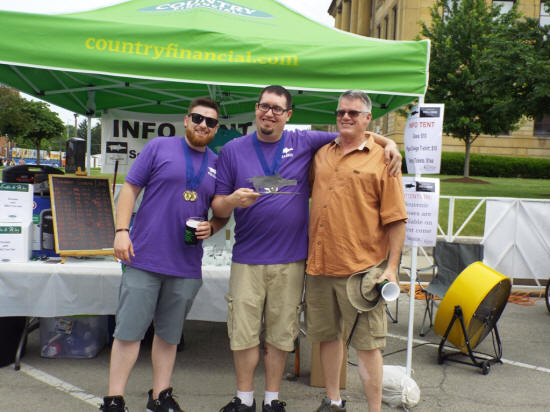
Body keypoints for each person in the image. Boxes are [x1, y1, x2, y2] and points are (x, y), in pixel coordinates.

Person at [211, 85, 402, 412]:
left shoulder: (309, 143)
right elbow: (222, 204)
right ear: (256, 108)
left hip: (328, 263)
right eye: (264, 106)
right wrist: (231, 201)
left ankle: (276, 400)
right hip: (284, 261)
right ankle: (257, 399)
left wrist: (390, 143)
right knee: (256, 334)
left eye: (277, 108)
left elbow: (355, 138)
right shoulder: (241, 150)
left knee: (298, 337)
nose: (269, 113)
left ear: (288, 115)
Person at [100, 97, 228, 412]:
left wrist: (212, 226)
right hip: (144, 257)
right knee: (129, 332)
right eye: (198, 118)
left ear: (216, 129)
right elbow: (130, 188)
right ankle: (114, 399)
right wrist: (121, 230)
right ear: (186, 120)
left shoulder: (217, 164)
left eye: (211, 122)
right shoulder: (159, 147)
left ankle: (160, 396)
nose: (203, 125)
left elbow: (221, 212)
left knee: (169, 336)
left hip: (185, 264)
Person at [305, 90, 407, 412]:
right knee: (327, 337)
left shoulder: (384, 159)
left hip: (362, 271)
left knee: (368, 346)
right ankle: (333, 400)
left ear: (367, 118)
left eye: (353, 113)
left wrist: (391, 269)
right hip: (321, 266)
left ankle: (374, 409)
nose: (345, 117)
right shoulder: (321, 153)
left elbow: (396, 219)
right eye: (341, 112)